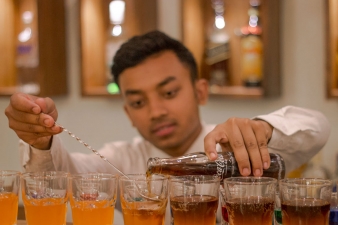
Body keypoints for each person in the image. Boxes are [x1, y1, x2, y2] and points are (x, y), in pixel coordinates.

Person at [5, 30, 330, 224]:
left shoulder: (235, 148)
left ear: (200, 91)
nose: (156, 111)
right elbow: (68, 174)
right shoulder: (124, 161)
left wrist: (262, 128)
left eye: (169, 93)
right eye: (138, 101)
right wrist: (39, 137)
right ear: (128, 113)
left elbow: (315, 128)